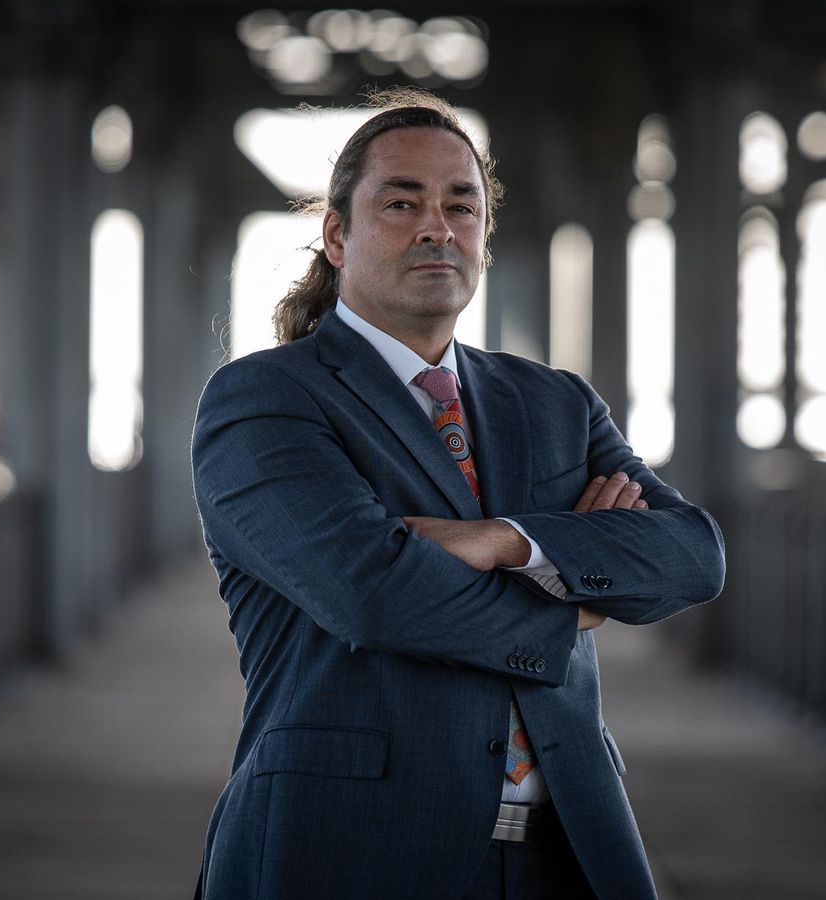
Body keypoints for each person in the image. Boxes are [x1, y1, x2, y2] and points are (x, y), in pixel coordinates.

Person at [190, 88, 725, 899]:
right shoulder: (265, 400)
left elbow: (691, 556)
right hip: (347, 850)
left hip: (570, 850)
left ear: (483, 236)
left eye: (461, 205)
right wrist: (577, 592)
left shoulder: (555, 403)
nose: (438, 226)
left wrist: (508, 541)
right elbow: (375, 595)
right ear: (338, 234)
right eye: (402, 202)